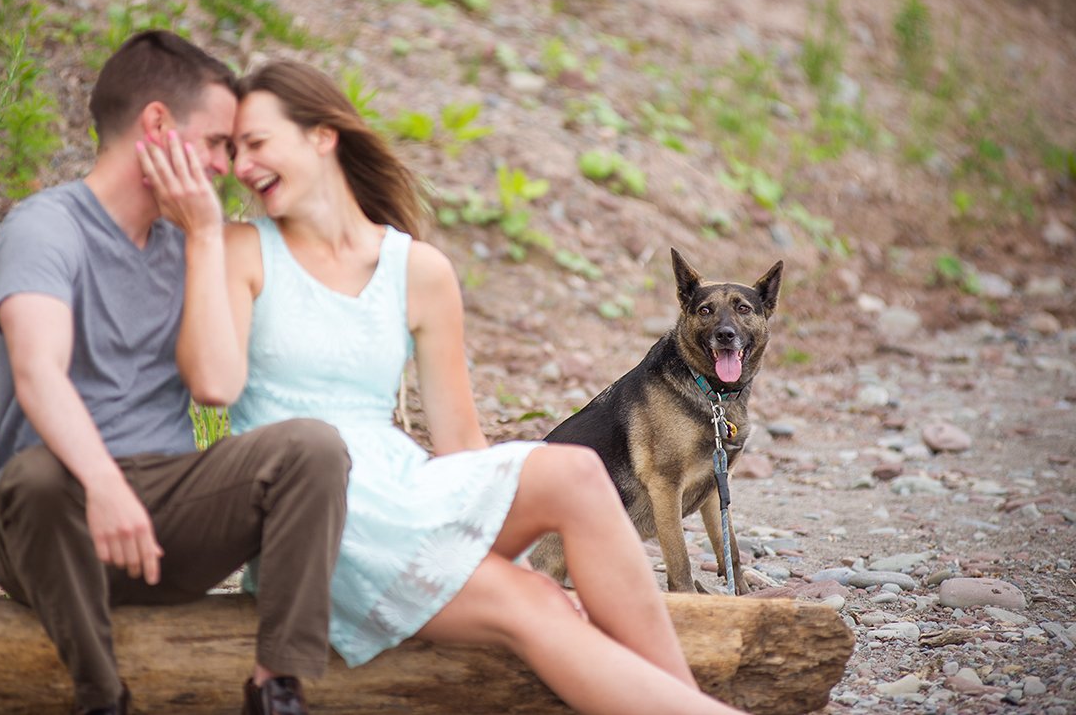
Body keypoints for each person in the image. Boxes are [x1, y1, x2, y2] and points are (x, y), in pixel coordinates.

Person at [138, 59, 747, 715]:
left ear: (322, 135)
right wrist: (200, 234)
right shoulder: (237, 248)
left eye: (255, 143)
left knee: (571, 474)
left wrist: (482, 553)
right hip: (320, 514)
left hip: (407, 492)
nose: (242, 167)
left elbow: (460, 447)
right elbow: (211, 386)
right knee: (536, 605)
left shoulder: (417, 269)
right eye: (230, 151)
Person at [0, 32, 349, 715]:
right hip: (51, 524)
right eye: (216, 143)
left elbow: (215, 387)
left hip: (163, 527)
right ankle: (101, 697)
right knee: (35, 477)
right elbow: (38, 374)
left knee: (314, 447)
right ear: (156, 124)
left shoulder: (191, 245)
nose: (226, 166)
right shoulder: (46, 228)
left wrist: (207, 239)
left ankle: (277, 690)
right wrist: (104, 485)